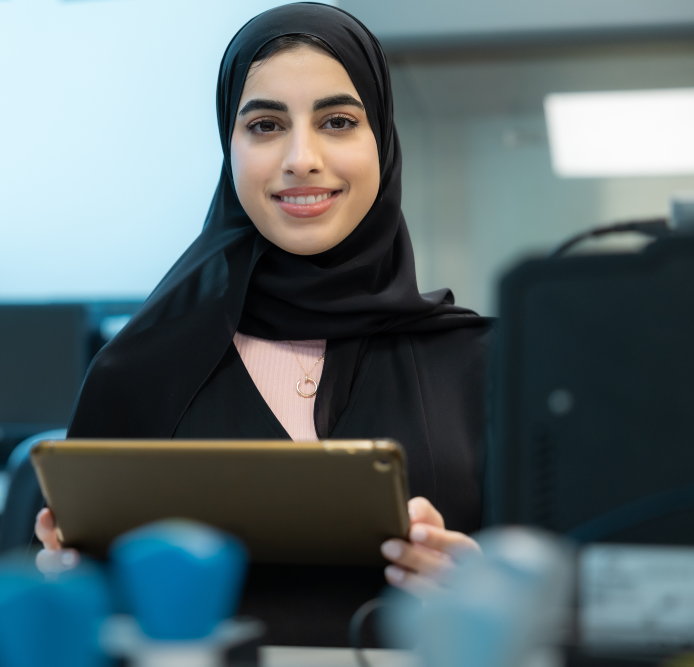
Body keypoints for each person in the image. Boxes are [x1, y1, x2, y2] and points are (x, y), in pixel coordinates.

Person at [34, 2, 492, 645]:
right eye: (265, 124)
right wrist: (73, 583)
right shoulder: (140, 367)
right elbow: (78, 602)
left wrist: (487, 585)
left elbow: (582, 596)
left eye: (337, 121)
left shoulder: (485, 364)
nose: (301, 157)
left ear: (382, 141)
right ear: (230, 147)